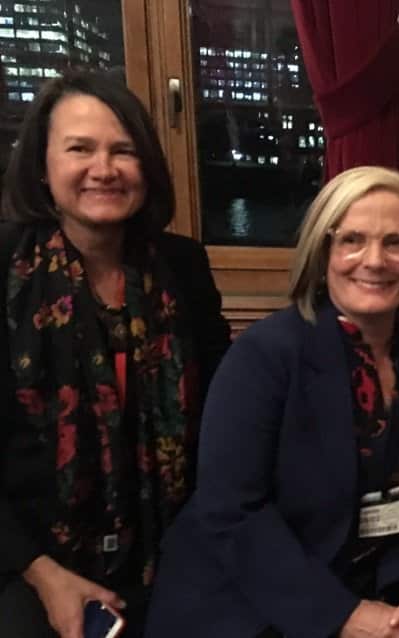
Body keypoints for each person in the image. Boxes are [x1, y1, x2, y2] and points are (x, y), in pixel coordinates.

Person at [146, 166, 399, 638]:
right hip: (248, 604)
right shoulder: (265, 354)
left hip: (378, 594)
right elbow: (231, 511)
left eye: (395, 243)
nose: (375, 260)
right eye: (352, 239)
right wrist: (344, 616)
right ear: (322, 252)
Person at [0, 71, 231, 637]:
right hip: (29, 556)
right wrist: (42, 573)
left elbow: (224, 414)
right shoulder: (5, 266)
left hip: (171, 544)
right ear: (42, 166)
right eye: (80, 149)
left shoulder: (183, 267)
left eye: (123, 151)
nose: (104, 169)